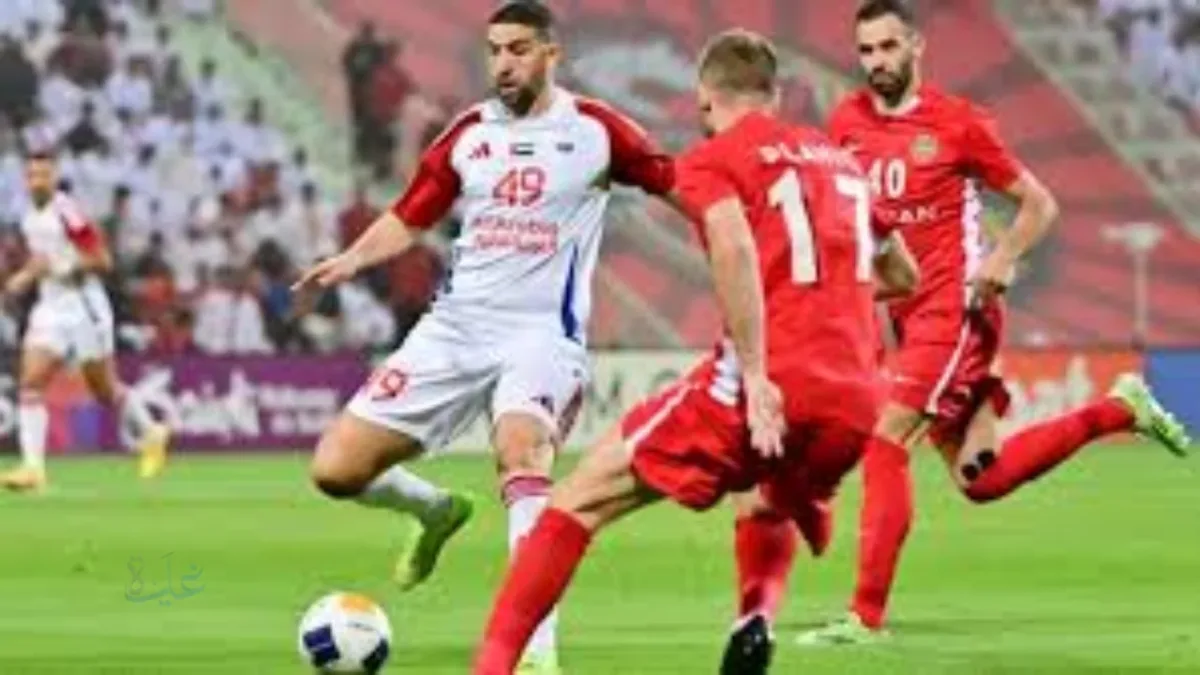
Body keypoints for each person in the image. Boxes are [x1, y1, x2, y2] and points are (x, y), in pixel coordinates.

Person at [730, 0, 1192, 647]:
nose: (877, 62)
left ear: (916, 46)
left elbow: (1039, 204)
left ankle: (865, 618)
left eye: (889, 47)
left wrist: (1002, 258)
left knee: (887, 438)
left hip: (954, 310)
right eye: (866, 50)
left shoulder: (958, 123)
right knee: (984, 477)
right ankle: (1119, 410)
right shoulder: (847, 123)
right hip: (906, 316)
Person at [471, 28, 917, 675]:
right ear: (774, 95)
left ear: (704, 99)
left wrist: (758, 374)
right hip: (857, 400)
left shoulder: (714, 158)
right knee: (760, 494)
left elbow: (731, 245)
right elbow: (903, 276)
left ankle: (490, 666)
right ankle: (757, 610)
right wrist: (819, 293)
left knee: (575, 500)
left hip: (769, 383)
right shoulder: (840, 162)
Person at [291, 3, 674, 674]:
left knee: (522, 454)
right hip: (455, 329)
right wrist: (352, 259)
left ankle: (535, 653)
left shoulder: (597, 131)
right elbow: (412, 212)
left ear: (551, 54)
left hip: (541, 336)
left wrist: (740, 226)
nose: (503, 63)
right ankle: (436, 510)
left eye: (519, 49)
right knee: (336, 470)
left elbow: (681, 185)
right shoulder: (469, 133)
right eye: (495, 49)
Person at [0, 152, 170, 491]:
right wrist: (24, 277)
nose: (37, 182)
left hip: (84, 307)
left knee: (104, 390)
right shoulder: (29, 216)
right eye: (32, 176)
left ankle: (151, 431)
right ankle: (33, 469)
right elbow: (42, 258)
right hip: (50, 306)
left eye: (44, 175)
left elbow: (102, 260)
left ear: (54, 177)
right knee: (31, 382)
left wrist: (61, 268)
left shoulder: (68, 212)